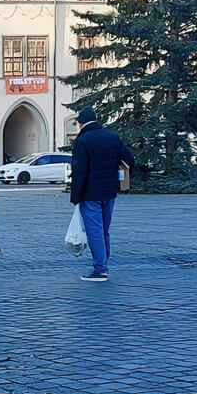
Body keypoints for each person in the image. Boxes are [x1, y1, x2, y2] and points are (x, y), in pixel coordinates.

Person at [69, 106, 134, 282]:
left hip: (90, 193)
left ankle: (100, 269)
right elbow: (129, 160)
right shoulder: (112, 137)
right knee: (104, 230)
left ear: (81, 123)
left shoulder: (82, 141)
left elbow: (80, 171)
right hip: (110, 191)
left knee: (94, 231)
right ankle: (103, 264)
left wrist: (75, 196)